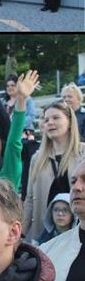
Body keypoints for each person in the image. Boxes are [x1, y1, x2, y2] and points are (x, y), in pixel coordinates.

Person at [23, 101, 85, 242]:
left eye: (56, 118)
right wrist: (21, 234)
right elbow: (29, 200)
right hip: (46, 236)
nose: (50, 123)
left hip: (79, 232)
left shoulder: (83, 152)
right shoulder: (36, 158)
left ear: (70, 122)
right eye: (46, 119)